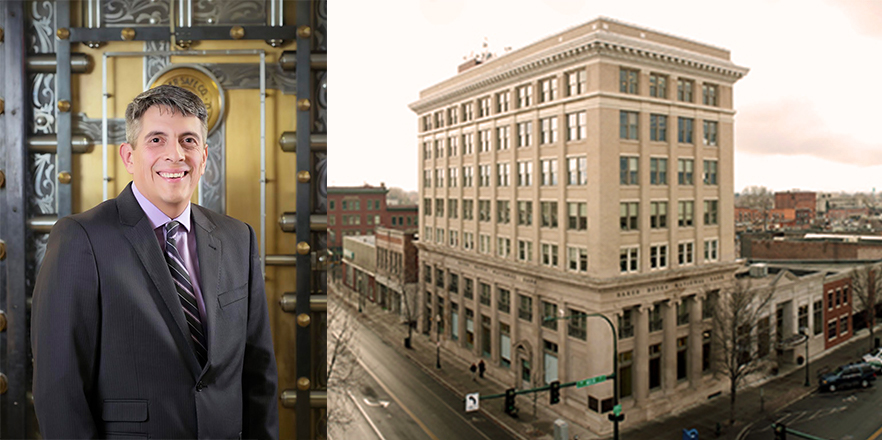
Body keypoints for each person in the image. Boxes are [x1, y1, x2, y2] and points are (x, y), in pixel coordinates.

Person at [31, 85, 279, 439]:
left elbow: (260, 376)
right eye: (157, 140)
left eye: (188, 141)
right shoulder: (80, 238)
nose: (175, 155)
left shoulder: (238, 238)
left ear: (205, 156)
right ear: (129, 156)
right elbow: (59, 388)